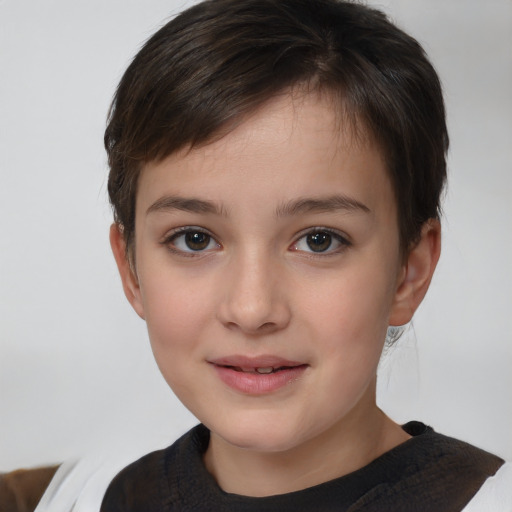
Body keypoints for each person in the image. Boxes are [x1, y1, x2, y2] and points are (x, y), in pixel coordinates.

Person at [5, 0, 509, 510]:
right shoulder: (85, 498)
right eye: (194, 239)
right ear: (131, 268)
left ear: (409, 271)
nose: (251, 309)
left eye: (319, 239)